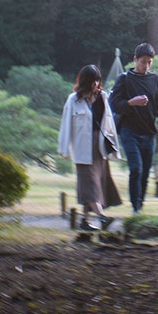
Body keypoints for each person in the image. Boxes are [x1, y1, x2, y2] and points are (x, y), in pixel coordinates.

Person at [108, 43, 158, 214]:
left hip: (149, 133)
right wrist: (131, 102)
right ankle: (135, 208)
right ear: (135, 59)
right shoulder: (124, 79)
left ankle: (139, 208)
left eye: (149, 62)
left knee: (145, 174)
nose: (146, 66)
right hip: (129, 131)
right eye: (143, 62)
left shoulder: (155, 80)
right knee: (136, 169)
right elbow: (113, 104)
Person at [57, 65, 122, 230]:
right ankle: (102, 217)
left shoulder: (103, 97)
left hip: (99, 147)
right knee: (89, 184)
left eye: (98, 80)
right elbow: (66, 125)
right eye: (93, 80)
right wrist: (64, 149)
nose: (96, 84)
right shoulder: (73, 100)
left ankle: (84, 221)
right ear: (86, 81)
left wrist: (114, 146)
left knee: (96, 183)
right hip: (82, 148)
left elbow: (109, 124)